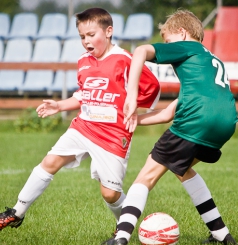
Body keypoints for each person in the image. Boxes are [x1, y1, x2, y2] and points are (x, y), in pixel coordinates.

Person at [0, 8, 160, 232]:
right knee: (50, 162)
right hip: (83, 127)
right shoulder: (83, 61)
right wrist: (59, 105)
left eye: (92, 35)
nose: (86, 41)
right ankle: (16, 212)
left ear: (109, 31)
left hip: (113, 134)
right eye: (82, 37)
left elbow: (153, 86)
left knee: (110, 193)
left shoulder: (125, 60)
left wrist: (133, 106)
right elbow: (83, 94)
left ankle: (124, 225)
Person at [102, 9, 238, 245]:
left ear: (183, 33)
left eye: (168, 41)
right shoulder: (206, 61)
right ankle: (221, 235)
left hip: (198, 119)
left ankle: (121, 237)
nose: (167, 47)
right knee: (182, 169)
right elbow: (167, 114)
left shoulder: (188, 47)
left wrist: (131, 97)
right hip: (224, 123)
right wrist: (131, 119)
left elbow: (141, 51)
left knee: (146, 176)